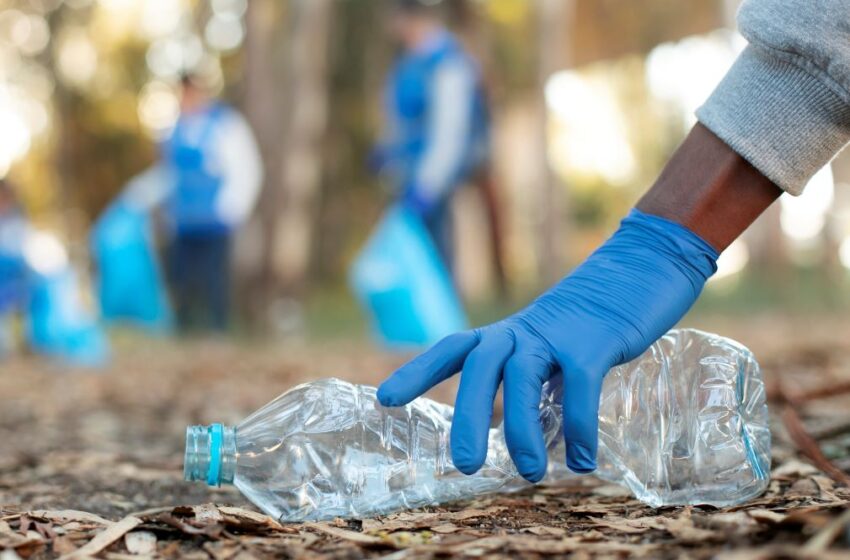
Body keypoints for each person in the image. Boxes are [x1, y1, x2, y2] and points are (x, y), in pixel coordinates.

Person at [377, 0, 850, 482]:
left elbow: (449, 132)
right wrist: (657, 245)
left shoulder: (445, 64)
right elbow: (823, 44)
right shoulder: (410, 66)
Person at [127, 73, 263, 332]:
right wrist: (140, 194)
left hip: (215, 217)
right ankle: (185, 330)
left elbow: (245, 168)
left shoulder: (225, 125)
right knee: (181, 278)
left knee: (214, 278)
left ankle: (217, 330)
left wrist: (234, 208)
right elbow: (168, 174)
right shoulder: (172, 131)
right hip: (182, 219)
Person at [372, 0, 490, 268]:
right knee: (411, 260)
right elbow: (397, 118)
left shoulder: (447, 62)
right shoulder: (407, 61)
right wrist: (385, 151)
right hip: (405, 175)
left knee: (436, 259)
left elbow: (450, 132)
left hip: (433, 180)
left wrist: (428, 185)